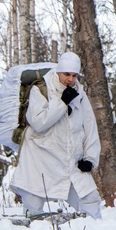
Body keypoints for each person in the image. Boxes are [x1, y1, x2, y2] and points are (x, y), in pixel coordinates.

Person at [10, 52, 103, 219]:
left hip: (70, 161)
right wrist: (61, 103)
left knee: (91, 201)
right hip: (39, 160)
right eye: (66, 74)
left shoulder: (79, 93)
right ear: (58, 71)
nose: (70, 79)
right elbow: (38, 123)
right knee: (33, 211)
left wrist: (90, 158)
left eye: (74, 75)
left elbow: (89, 126)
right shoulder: (41, 89)